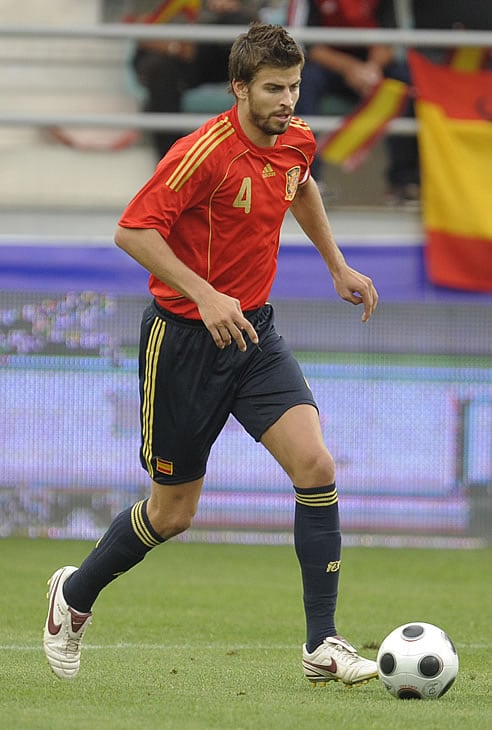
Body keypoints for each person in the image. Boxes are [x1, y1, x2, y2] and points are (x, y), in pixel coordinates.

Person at [43, 21, 379, 687]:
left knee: (315, 463)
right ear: (239, 89)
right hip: (185, 343)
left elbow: (301, 183)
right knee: (173, 513)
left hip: (254, 335)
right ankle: (73, 596)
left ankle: (322, 644)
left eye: (294, 86)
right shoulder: (202, 153)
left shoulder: (295, 139)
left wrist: (336, 264)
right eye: (274, 89)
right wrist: (203, 294)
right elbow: (132, 231)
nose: (288, 101)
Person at [288, 0, 420, 203]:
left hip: (372, 64)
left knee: (406, 81)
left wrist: (371, 68)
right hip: (326, 63)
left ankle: (404, 183)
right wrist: (351, 68)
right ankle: (308, 182)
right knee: (300, 83)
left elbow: (390, 40)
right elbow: (306, 46)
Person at [127, 0, 260, 160]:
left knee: (246, 35)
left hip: (213, 48)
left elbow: (258, 24)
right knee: (160, 72)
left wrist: (234, 8)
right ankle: (173, 168)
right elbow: (138, 27)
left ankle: (258, 158)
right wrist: (174, 47)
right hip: (165, 53)